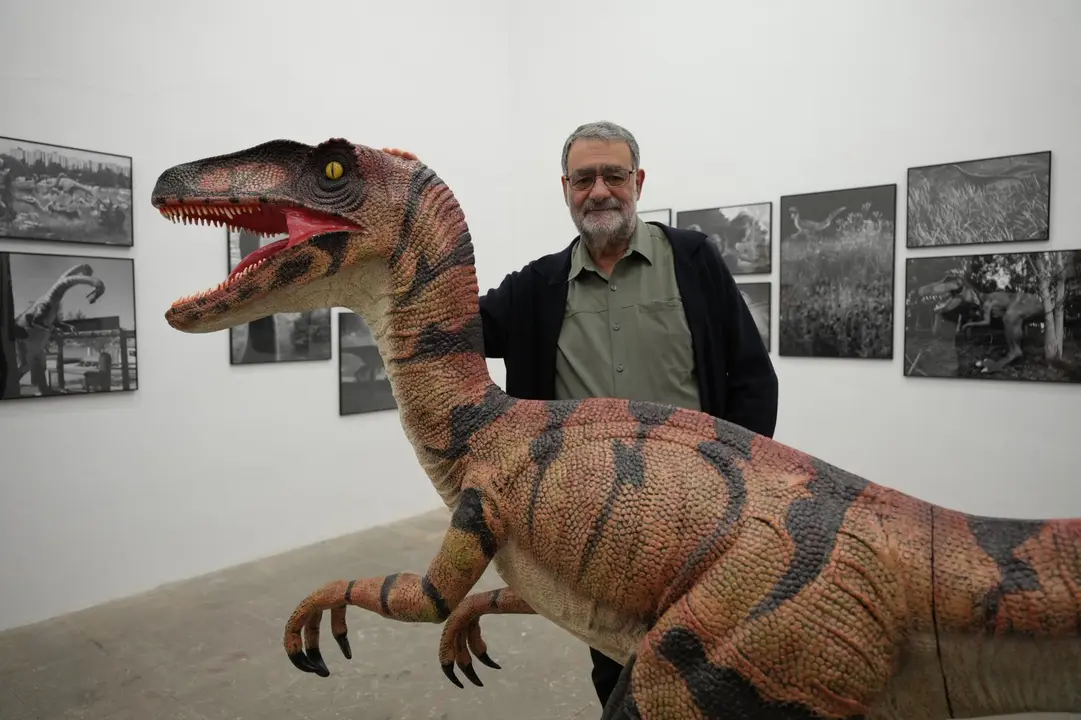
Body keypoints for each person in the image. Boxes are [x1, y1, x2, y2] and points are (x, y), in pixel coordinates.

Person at [383, 119, 778, 712]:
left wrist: (735, 491)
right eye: (584, 178)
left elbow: (752, 381)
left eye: (614, 176)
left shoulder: (692, 260)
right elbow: (449, 320)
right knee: (619, 675)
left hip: (695, 522)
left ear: (638, 181)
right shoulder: (536, 288)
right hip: (596, 534)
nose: (599, 191)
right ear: (565, 187)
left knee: (716, 674)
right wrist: (408, 208)